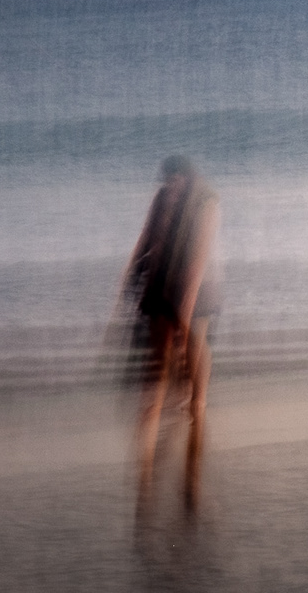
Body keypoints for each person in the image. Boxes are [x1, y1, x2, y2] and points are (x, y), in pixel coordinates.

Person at [120, 155, 221, 515]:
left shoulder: (164, 197)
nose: (172, 187)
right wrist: (184, 320)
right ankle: (190, 491)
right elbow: (197, 263)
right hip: (188, 307)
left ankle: (145, 490)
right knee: (196, 402)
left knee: (154, 399)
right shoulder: (206, 200)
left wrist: (124, 296)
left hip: (160, 298)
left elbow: (141, 247)